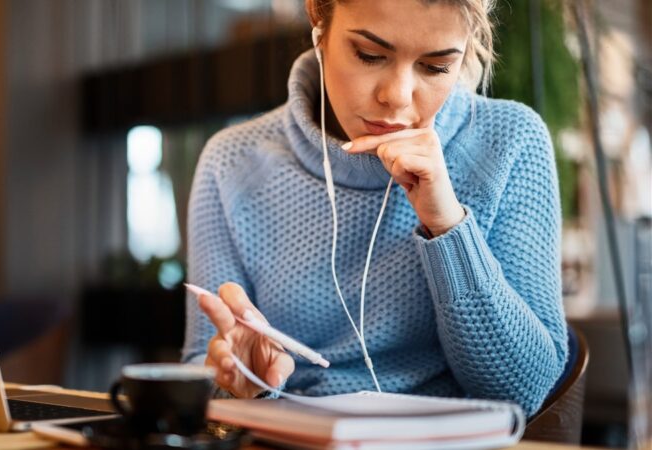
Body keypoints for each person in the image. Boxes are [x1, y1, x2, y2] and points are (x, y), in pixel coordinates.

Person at [182, 0, 568, 416]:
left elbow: (526, 391)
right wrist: (249, 387)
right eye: (370, 55)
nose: (397, 97)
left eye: (435, 67)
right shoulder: (232, 161)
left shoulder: (509, 142)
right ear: (318, 18)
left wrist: (448, 226)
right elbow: (205, 372)